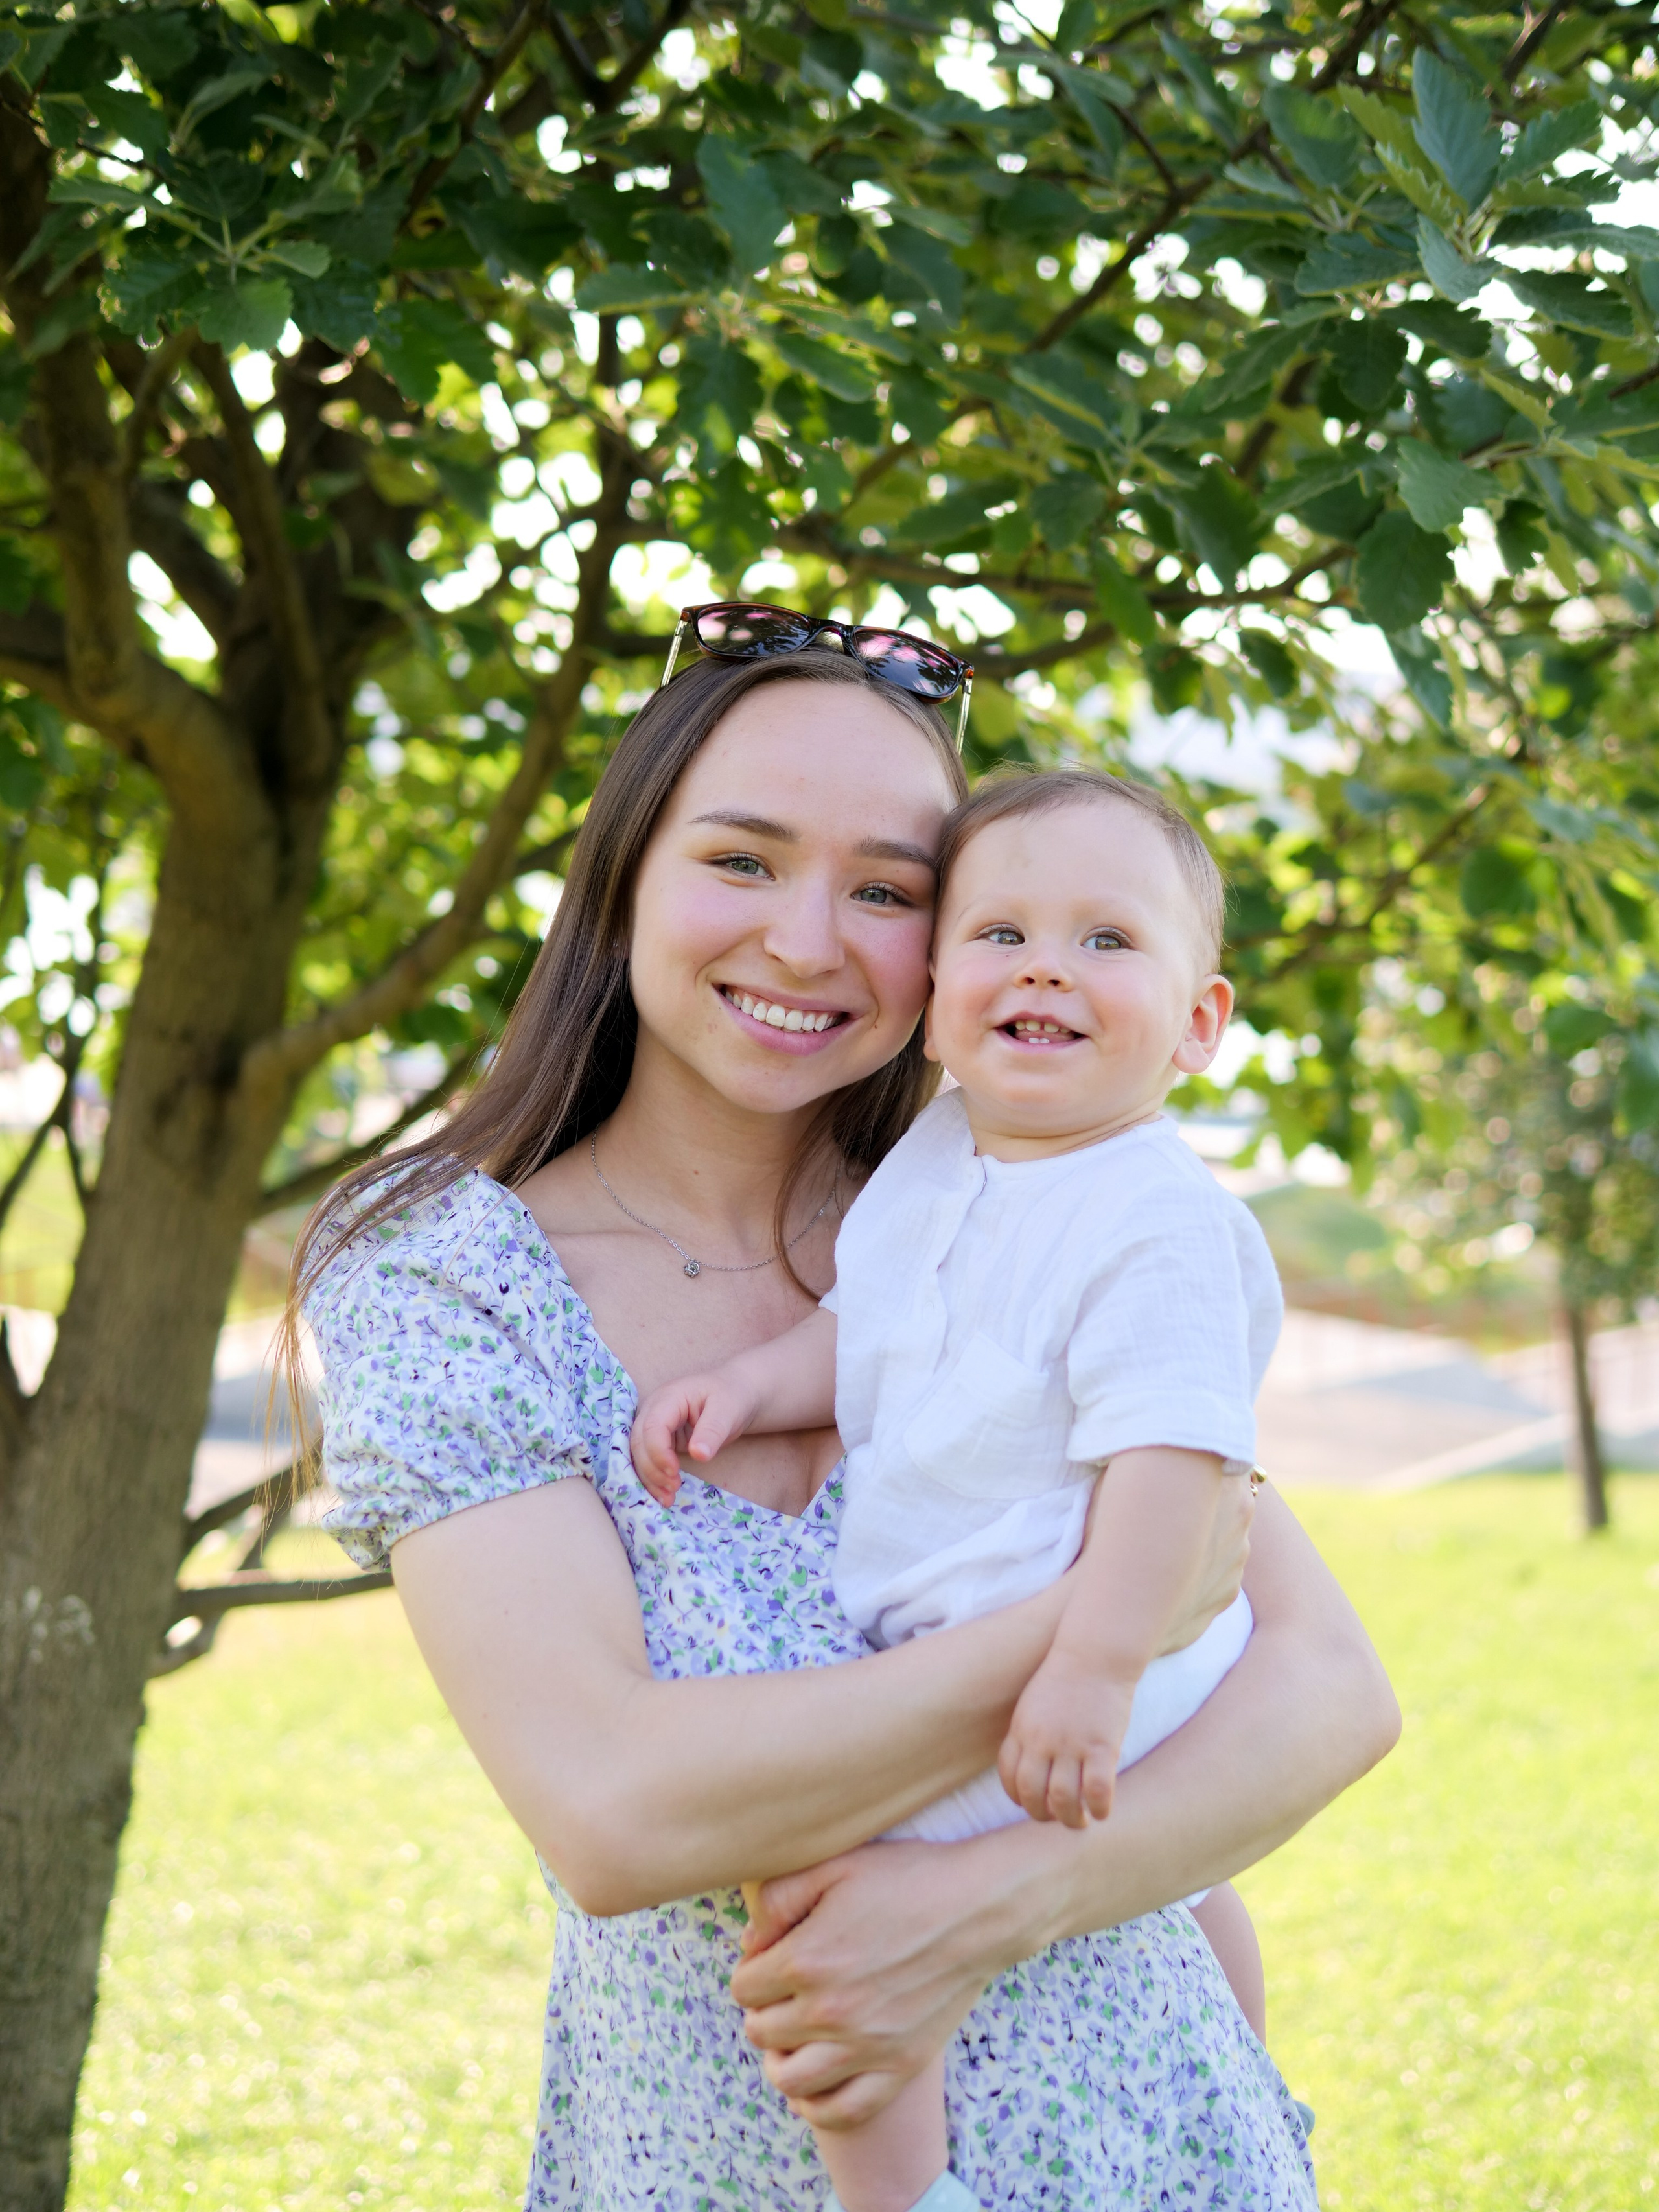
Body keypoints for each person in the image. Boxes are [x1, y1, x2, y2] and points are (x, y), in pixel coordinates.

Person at [296, 616, 1400, 2212]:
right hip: (722, 2164)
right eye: (740, 860)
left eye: (885, 890)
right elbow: (616, 1807)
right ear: (622, 879)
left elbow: (1328, 1693)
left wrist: (997, 1898)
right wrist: (1096, 1625)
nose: (809, 942)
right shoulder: (446, 1275)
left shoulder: (1025, 1192)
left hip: (1161, 2144)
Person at [629, 767, 1281, 2212]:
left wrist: (1091, 1668)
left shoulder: (1154, 1218)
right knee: (1171, 1892)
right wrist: (743, 1390)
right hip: (1001, 1627)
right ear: (932, 997)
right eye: (999, 935)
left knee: (810, 1872)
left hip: (1082, 1633)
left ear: (1195, 1024)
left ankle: (900, 2193)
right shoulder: (941, 1150)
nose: (1046, 963)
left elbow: (1179, 1466)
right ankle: (1241, 2083)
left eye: (1108, 942)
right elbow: (867, 1328)